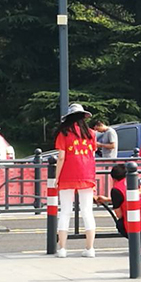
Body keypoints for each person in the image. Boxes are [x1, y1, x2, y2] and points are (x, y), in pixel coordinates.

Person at [54, 103, 98, 258]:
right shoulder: (91, 133)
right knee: (87, 211)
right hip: (87, 174)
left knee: (65, 212)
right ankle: (90, 248)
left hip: (67, 175)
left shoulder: (64, 133)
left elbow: (61, 157)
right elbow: (93, 155)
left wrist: (57, 177)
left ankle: (62, 249)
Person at [98, 164, 141, 253]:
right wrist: (108, 200)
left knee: (121, 224)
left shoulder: (116, 190)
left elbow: (119, 215)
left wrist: (115, 202)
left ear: (113, 178)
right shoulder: (135, 181)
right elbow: (129, 198)